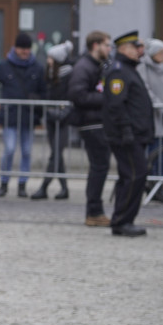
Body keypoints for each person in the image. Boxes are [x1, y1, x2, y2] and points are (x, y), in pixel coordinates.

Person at [102, 30, 155, 237]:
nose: (140, 51)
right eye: (136, 47)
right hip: (126, 136)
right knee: (135, 176)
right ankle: (122, 221)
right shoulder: (119, 71)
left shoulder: (128, 69)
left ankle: (123, 220)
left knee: (131, 176)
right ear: (124, 49)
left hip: (134, 134)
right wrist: (125, 131)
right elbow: (116, 105)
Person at [0, 31, 47, 198]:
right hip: (10, 116)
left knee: (27, 151)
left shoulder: (37, 67)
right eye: (22, 48)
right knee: (10, 149)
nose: (25, 51)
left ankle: (22, 184)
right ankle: (4, 183)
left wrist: (38, 99)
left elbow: (45, 91)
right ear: (15, 48)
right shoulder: (4, 66)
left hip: (29, 116)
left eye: (27, 48)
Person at [68, 30, 112, 226]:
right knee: (99, 167)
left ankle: (95, 210)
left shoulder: (97, 65)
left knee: (100, 168)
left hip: (98, 122)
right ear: (96, 45)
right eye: (107, 45)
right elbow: (78, 95)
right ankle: (94, 212)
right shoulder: (83, 66)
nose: (109, 49)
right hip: (91, 124)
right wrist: (108, 98)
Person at [32, 40, 74, 200]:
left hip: (63, 119)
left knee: (56, 153)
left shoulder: (69, 74)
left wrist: (63, 112)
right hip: (50, 118)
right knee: (57, 155)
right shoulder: (50, 74)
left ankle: (44, 187)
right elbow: (47, 95)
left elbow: (71, 97)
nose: (48, 61)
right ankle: (64, 189)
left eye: (50, 58)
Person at [137, 39, 163, 186]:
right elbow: (146, 90)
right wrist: (161, 107)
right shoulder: (143, 67)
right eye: (161, 52)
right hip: (153, 117)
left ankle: (161, 183)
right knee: (153, 152)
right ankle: (152, 183)